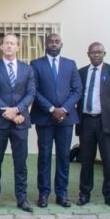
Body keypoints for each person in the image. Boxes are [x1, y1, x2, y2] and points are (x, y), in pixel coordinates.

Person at [30, 33, 82, 208]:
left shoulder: (70, 64)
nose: (54, 44)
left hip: (66, 119)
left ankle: (62, 194)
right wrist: (52, 109)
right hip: (44, 117)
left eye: (57, 41)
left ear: (61, 44)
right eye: (51, 41)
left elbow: (77, 90)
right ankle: (43, 194)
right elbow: (34, 90)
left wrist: (64, 109)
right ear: (45, 44)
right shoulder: (36, 64)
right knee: (44, 156)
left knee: (64, 156)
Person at [0, 33, 36, 213]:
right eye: (6, 43)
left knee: (20, 162)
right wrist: (10, 113)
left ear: (18, 47)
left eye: (12, 43)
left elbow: (31, 93)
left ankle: (22, 198)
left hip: (21, 122)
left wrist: (17, 110)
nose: (9, 46)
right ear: (1, 47)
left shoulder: (27, 69)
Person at [76, 42, 110, 207]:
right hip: (86, 121)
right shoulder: (81, 72)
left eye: (99, 52)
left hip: (106, 122)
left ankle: (109, 195)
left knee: (108, 160)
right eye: (93, 52)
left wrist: (108, 110)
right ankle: (84, 194)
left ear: (104, 54)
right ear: (88, 54)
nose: (96, 55)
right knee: (86, 160)